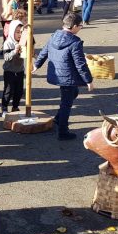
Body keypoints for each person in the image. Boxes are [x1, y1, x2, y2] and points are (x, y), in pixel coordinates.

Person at [33, 13, 94, 141]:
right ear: (75, 26)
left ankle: (58, 118)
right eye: (80, 26)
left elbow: (44, 51)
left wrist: (37, 65)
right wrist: (88, 80)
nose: (80, 28)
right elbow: (80, 63)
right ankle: (63, 131)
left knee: (73, 94)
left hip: (58, 74)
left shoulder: (54, 36)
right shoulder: (75, 42)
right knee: (67, 103)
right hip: (68, 76)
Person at [1, 20, 25, 116]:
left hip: (20, 70)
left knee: (19, 91)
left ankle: (15, 106)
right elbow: (6, 57)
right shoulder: (8, 43)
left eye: (21, 32)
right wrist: (15, 51)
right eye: (17, 32)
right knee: (8, 91)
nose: (19, 34)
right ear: (12, 32)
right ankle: (4, 108)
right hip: (9, 71)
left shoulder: (23, 42)